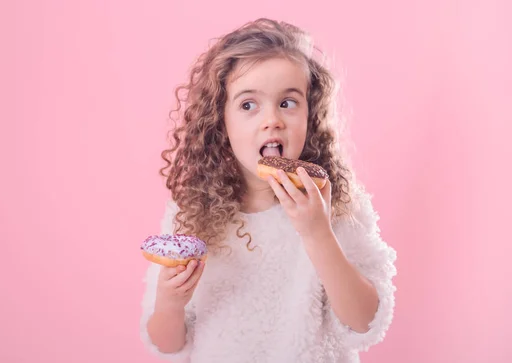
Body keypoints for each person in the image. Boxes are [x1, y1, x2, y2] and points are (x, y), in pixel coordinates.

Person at [139, 18, 397, 363]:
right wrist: (169, 303)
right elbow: (167, 343)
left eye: (288, 103)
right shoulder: (191, 213)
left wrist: (318, 234)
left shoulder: (336, 205)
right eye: (248, 105)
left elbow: (365, 322)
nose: (272, 119)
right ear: (222, 122)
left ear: (310, 115)